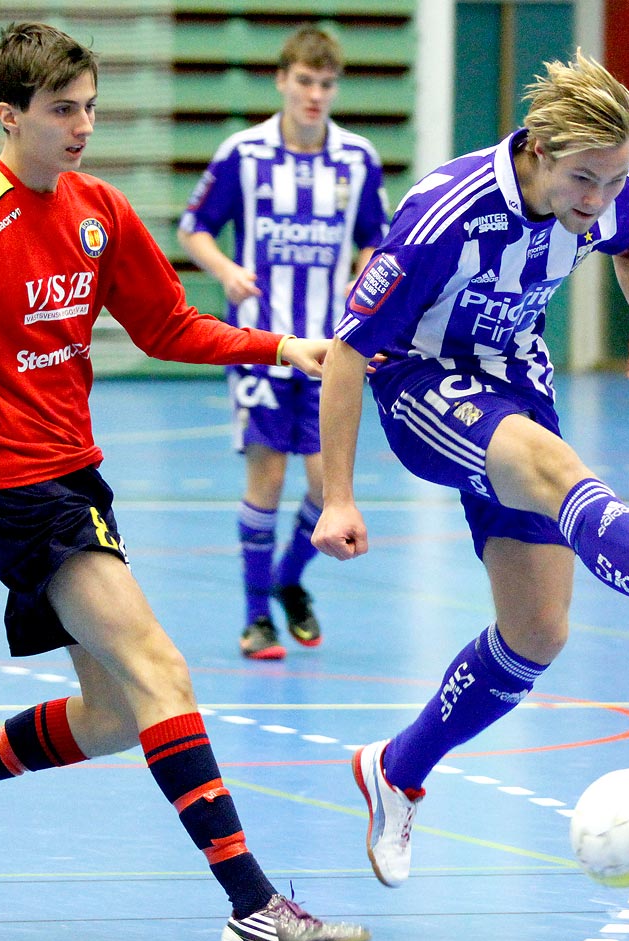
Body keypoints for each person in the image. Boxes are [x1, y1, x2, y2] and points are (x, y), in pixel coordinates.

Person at [0, 21, 370, 941]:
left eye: (90, 107)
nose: (81, 126)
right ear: (8, 116)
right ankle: (253, 907)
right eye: (61, 111)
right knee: (161, 672)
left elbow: (167, 324)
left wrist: (275, 344)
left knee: (111, 715)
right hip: (12, 488)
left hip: (77, 477)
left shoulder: (99, 210)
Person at [311, 51, 629, 888]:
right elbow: (348, 352)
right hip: (423, 385)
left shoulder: (604, 190)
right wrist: (337, 496)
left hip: (514, 381)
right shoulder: (440, 214)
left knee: (536, 632)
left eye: (614, 178)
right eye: (582, 180)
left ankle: (394, 770)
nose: (597, 199)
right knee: (558, 469)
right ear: (534, 149)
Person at [177, 24, 388, 661]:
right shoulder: (243, 153)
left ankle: (290, 578)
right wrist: (226, 271)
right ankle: (254, 618)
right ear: (281, 81)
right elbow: (195, 227)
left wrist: (368, 268)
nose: (315, 94)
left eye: (326, 84)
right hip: (263, 343)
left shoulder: (357, 159)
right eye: (304, 81)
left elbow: (378, 240)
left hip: (332, 348)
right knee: (266, 479)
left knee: (328, 489)